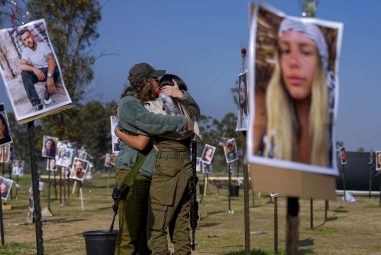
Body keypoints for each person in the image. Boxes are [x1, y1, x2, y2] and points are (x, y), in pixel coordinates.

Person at [115, 73, 200, 255]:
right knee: (180, 226)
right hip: (186, 161)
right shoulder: (185, 106)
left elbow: (144, 138)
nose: (158, 86)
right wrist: (182, 95)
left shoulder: (150, 106)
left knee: (155, 227)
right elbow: (195, 112)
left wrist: (119, 133)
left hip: (167, 161)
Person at [262, 18, 331, 167]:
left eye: (305, 52)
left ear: (320, 64)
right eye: (286, 51)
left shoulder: (329, 140)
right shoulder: (266, 138)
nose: (293, 62)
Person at [19, 28, 60, 111]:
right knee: (24, 73)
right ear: (23, 42)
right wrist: (34, 69)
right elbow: (22, 65)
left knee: (56, 69)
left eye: (28, 37)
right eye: (25, 40)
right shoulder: (26, 51)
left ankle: (47, 92)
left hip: (47, 70)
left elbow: (51, 60)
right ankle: (36, 103)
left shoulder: (43, 45)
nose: (28, 41)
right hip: (38, 73)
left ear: (32, 36)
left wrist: (49, 76)